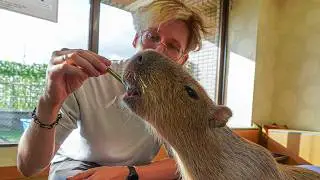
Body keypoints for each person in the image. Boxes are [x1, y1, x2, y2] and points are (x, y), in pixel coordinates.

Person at [17, 0, 209, 179]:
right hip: (74, 165)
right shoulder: (85, 77)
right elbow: (28, 166)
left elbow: (191, 160)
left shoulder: (177, 99)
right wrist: (49, 101)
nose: (158, 51)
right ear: (136, 40)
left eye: (173, 47)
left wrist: (126, 173)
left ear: (182, 61)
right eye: (152, 36)